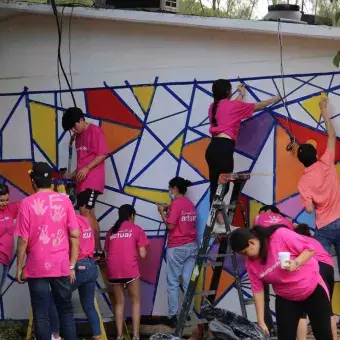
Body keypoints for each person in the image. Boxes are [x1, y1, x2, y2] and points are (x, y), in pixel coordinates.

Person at [230, 225, 332, 340]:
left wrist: (296, 263)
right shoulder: (251, 264)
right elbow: (257, 290)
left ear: (252, 242)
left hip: (312, 288)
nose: (245, 257)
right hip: (286, 296)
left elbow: (309, 249)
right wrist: (261, 321)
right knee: (285, 336)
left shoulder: (280, 235)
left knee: (323, 333)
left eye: (245, 252)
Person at [15, 162, 80, 340]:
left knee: (41, 313)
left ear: (33, 182)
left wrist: (19, 267)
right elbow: (75, 235)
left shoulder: (27, 203)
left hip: (36, 267)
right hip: (61, 265)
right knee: (65, 310)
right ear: (51, 182)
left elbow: (23, 239)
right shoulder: (65, 201)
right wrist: (72, 264)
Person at [205, 79, 280, 229]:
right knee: (223, 186)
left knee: (215, 185)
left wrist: (241, 94)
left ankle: (217, 218)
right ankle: (219, 220)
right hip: (224, 149)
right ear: (228, 92)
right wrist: (275, 99)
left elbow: (231, 110)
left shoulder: (213, 107)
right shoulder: (233, 106)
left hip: (212, 148)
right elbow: (258, 106)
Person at [297, 97, 340, 273]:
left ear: (301, 162)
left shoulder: (303, 182)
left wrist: (313, 201)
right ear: (316, 154)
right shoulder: (326, 162)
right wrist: (323, 110)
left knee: (321, 268)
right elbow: (331, 136)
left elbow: (308, 210)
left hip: (323, 226)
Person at [62, 107, 109, 258]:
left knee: (85, 211)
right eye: (71, 129)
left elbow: (103, 154)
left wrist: (87, 168)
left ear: (81, 120)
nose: (73, 130)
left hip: (92, 180)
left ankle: (93, 249)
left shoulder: (95, 131)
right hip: (82, 182)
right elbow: (81, 165)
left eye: (74, 126)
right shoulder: (78, 138)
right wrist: (71, 175)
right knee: (88, 213)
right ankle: (98, 250)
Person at [49, 214, 102, 340]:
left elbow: (75, 243)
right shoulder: (84, 219)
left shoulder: (68, 222)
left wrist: (71, 266)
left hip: (78, 265)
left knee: (52, 299)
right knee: (89, 305)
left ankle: (55, 335)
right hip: (91, 265)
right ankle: (97, 336)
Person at [157, 177, 198, 328]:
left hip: (177, 247)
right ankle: (187, 314)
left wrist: (162, 212)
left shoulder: (176, 204)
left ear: (174, 188)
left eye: (170, 189)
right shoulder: (190, 204)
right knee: (188, 282)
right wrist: (168, 209)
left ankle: (173, 316)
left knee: (173, 282)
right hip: (192, 246)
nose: (170, 192)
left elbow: (170, 225)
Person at [104, 204, 148, 340]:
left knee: (119, 303)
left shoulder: (111, 231)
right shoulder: (136, 229)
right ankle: (135, 336)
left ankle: (119, 336)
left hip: (113, 270)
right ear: (132, 216)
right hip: (130, 269)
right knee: (135, 302)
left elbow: (106, 253)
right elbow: (142, 254)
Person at [294, 223, 337, 340]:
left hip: (313, 267)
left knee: (301, 310)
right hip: (328, 267)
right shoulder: (316, 241)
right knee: (327, 308)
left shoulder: (295, 239)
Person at [0, 184, 20, 294]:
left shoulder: (10, 209)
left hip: (7, 258)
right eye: (1, 200)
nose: (4, 203)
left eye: (7, 200)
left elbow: (28, 203)